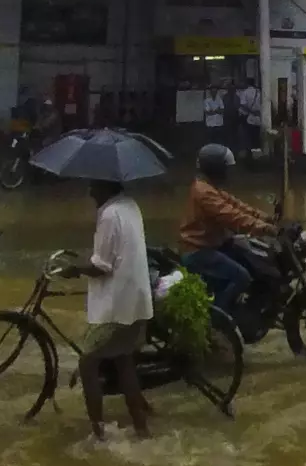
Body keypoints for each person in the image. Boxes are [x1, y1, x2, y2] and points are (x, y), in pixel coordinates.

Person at [56, 175, 155, 440]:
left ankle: (98, 432)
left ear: (106, 186)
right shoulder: (130, 205)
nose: (90, 192)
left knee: (88, 363)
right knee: (123, 361)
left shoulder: (110, 214)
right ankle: (141, 427)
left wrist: (74, 268)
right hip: (136, 299)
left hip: (118, 304)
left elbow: (101, 266)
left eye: (93, 186)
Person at [177, 141, 275, 328]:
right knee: (242, 277)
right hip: (198, 250)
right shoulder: (204, 192)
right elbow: (230, 215)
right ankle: (218, 322)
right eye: (226, 168)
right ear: (216, 169)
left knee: (250, 258)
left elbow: (236, 205)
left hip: (213, 244)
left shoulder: (210, 187)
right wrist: (261, 227)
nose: (230, 172)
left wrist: (264, 217)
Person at [235, 82, 263, 163]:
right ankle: (257, 157)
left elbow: (242, 105)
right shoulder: (260, 92)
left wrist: (251, 111)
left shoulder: (245, 92)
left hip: (249, 118)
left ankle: (250, 157)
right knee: (256, 138)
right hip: (259, 119)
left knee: (248, 138)